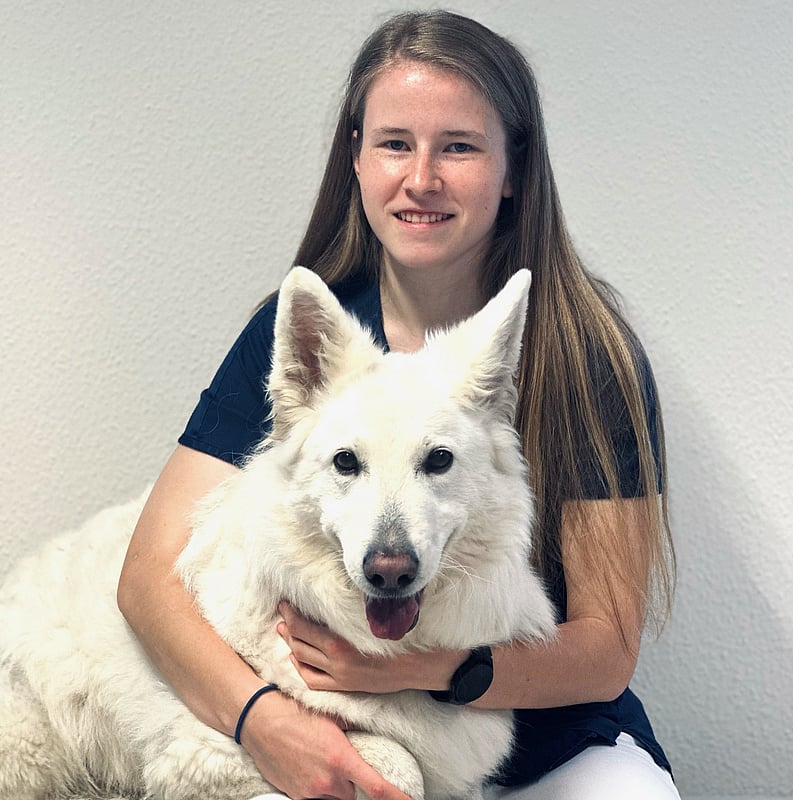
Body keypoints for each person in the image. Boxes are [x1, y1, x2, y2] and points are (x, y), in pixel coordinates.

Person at [117, 10, 679, 800]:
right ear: (355, 159)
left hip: (554, 735)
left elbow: (606, 649)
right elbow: (147, 578)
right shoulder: (303, 333)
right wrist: (263, 722)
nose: (422, 178)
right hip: (341, 725)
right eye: (394, 143)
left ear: (514, 166)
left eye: (458, 145)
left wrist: (428, 670)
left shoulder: (586, 357)